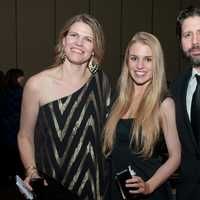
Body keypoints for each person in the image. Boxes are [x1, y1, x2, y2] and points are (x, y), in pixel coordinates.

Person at [17, 13, 112, 200]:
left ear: (94, 48)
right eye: (74, 35)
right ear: (63, 40)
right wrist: (31, 170)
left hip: (96, 186)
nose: (79, 43)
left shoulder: (101, 80)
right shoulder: (37, 84)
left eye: (88, 39)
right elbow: (24, 135)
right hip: (52, 185)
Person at [102, 32, 181, 200]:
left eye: (148, 59)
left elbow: (175, 157)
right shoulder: (117, 99)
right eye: (134, 58)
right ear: (127, 62)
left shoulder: (164, 104)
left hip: (149, 192)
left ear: (157, 64)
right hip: (116, 191)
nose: (140, 66)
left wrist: (149, 186)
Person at [170, 6, 200, 200]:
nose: (195, 42)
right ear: (181, 42)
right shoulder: (177, 88)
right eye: (187, 35)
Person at [0, 68, 24, 185]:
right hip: (15, 128)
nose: (23, 78)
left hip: (5, 128)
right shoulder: (20, 93)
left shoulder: (3, 92)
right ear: (15, 78)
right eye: (20, 76)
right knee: (16, 156)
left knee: (7, 156)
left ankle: (7, 179)